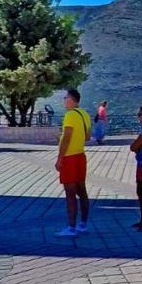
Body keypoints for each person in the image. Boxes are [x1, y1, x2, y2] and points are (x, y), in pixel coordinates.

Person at [55, 88, 93, 237]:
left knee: (70, 193)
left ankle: (71, 228)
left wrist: (59, 157)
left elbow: (67, 137)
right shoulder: (85, 114)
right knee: (82, 191)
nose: (64, 100)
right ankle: (83, 224)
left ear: (71, 99)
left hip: (69, 158)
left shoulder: (70, 115)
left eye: (65, 98)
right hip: (80, 156)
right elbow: (88, 137)